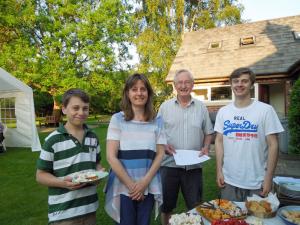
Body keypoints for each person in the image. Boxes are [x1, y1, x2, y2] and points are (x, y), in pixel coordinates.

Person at [214, 67, 284, 202]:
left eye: (244, 81)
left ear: (251, 84)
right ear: (231, 85)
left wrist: (269, 177)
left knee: (258, 221)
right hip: (229, 181)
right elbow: (219, 141)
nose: (239, 84)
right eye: (235, 81)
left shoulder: (265, 110)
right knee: (230, 220)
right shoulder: (223, 112)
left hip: (257, 182)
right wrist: (219, 171)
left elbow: (273, 145)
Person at [105, 73, 166, 225]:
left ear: (148, 93)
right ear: (127, 93)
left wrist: (143, 183)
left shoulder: (157, 120)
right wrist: (132, 186)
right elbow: (111, 157)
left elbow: (160, 154)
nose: (139, 93)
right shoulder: (117, 119)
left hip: (149, 183)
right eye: (134, 89)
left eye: (143, 89)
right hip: (123, 184)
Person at [36, 88, 104, 225]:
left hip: (89, 208)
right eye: (75, 108)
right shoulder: (53, 140)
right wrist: (63, 183)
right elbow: (40, 175)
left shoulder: (93, 137)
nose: (81, 112)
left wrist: (98, 173)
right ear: (64, 109)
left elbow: (96, 163)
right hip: (63, 213)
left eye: (85, 108)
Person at [158, 69, 214, 225]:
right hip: (169, 166)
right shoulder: (164, 107)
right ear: (175, 85)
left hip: (193, 167)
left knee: (195, 206)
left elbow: (209, 132)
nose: (183, 86)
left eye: (187, 82)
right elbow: (156, 134)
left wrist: (206, 146)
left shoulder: (201, 107)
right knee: (167, 206)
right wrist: (164, 144)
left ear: (192, 84)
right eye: (180, 82)